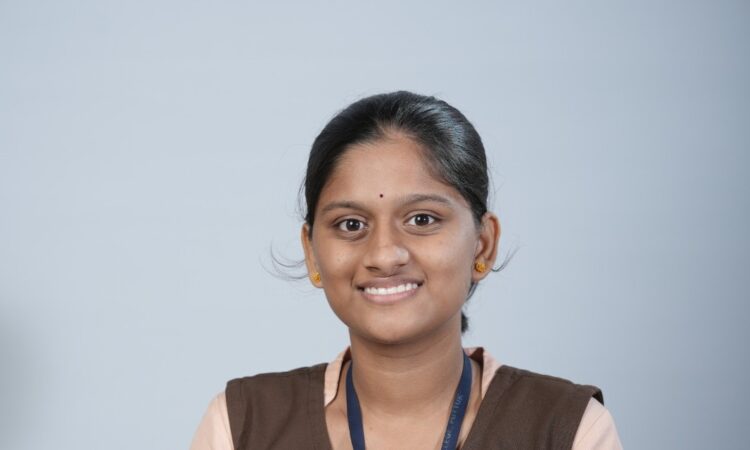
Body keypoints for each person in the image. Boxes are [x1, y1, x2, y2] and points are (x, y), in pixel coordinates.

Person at [190, 91, 623, 449]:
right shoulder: (241, 426)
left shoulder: (568, 430)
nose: (384, 255)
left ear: (483, 243)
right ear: (312, 252)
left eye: (422, 219)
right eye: (351, 225)